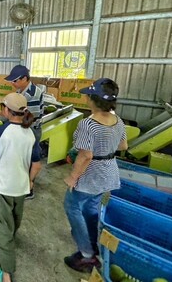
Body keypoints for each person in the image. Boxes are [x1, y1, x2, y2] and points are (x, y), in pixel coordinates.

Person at [63, 78, 128, 273]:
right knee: (91, 209)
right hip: (108, 172)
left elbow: (85, 155)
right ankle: (93, 246)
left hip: (90, 175)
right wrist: (106, 145)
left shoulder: (88, 124)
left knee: (72, 207)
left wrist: (72, 178)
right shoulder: (118, 121)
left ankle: (86, 255)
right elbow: (123, 146)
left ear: (93, 99)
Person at [0, 93, 42, 282]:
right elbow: (36, 164)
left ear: (7, 110)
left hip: (3, 186)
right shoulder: (31, 133)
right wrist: (31, 181)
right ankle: (10, 239)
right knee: (15, 218)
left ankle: (7, 271)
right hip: (21, 186)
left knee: (4, 227)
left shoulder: (0, 132)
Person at [5, 64, 45, 199]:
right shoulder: (20, 91)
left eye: (15, 81)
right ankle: (21, 184)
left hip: (31, 130)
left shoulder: (32, 93)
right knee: (22, 159)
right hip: (24, 128)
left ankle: (29, 189)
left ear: (24, 79)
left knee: (28, 160)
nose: (12, 83)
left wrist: (6, 116)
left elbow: (28, 119)